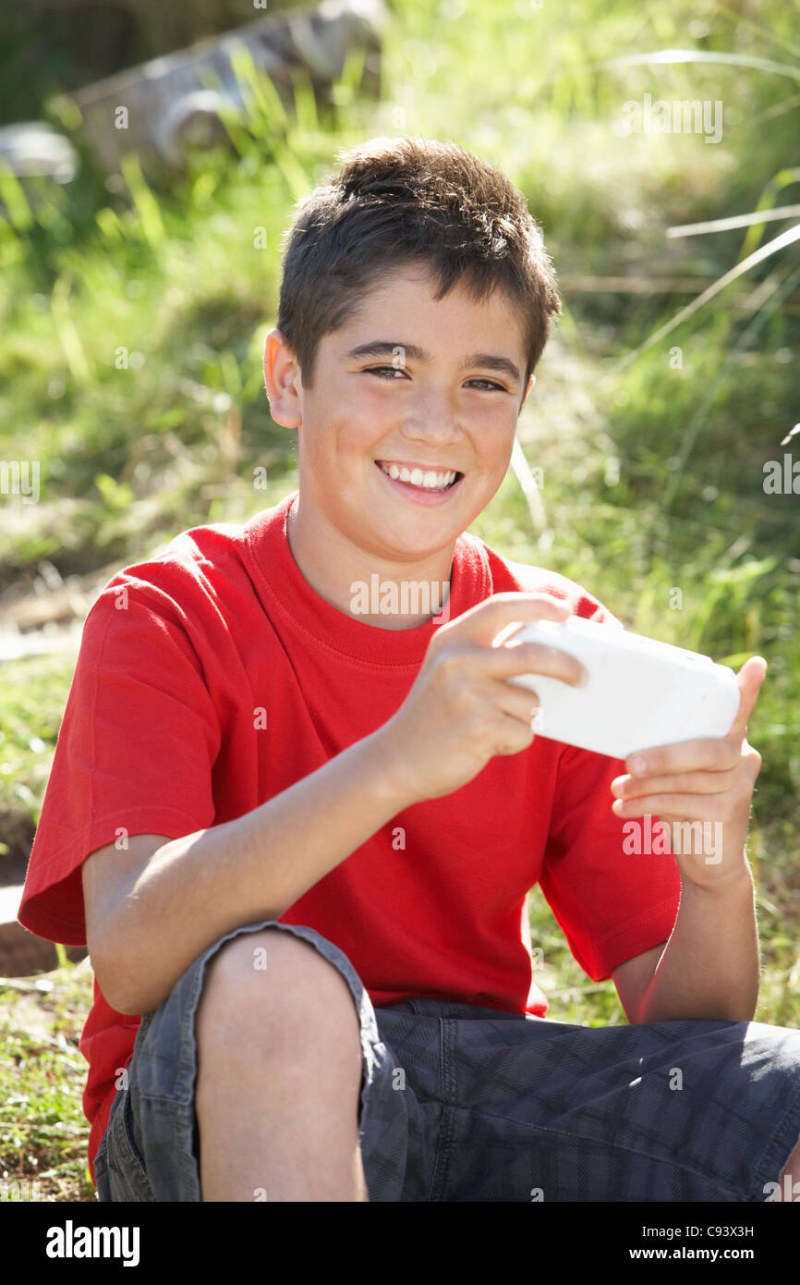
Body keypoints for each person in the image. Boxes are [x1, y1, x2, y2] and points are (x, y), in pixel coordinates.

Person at [19, 136, 800, 1203]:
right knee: (275, 984)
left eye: (484, 382)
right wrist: (395, 760)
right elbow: (131, 949)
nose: (435, 423)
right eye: (387, 367)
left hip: (476, 1089)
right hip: (220, 1093)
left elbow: (684, 1049)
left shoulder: (555, 643)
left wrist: (713, 878)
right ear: (287, 379)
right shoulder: (167, 615)